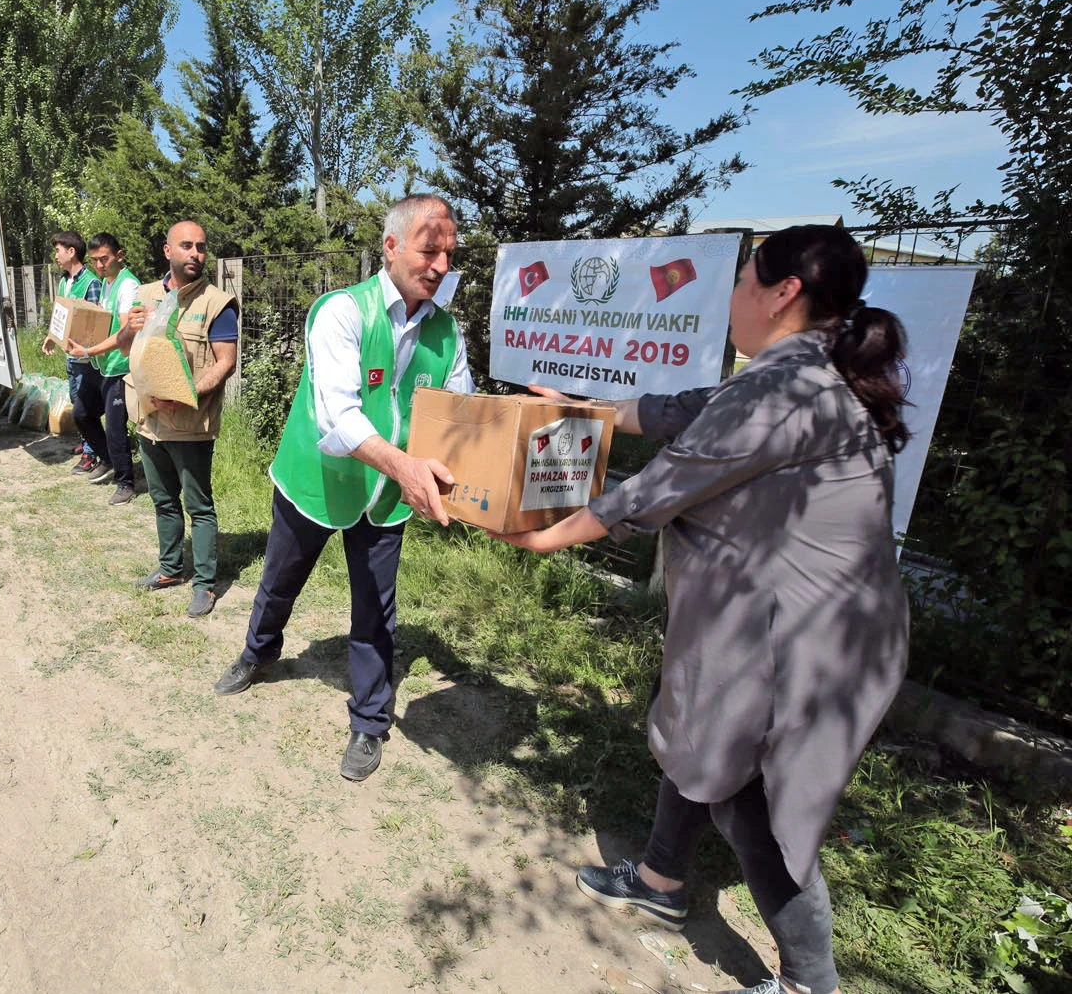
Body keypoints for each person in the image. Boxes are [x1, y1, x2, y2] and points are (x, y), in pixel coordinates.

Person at [495, 225, 911, 994]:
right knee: (696, 728)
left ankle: (807, 983)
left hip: (806, 645)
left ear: (783, 292)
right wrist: (579, 407)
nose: (732, 296)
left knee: (755, 808)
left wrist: (539, 535)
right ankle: (660, 878)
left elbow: (657, 486)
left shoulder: (785, 390)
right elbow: (681, 409)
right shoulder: (794, 373)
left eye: (743, 279)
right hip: (779, 621)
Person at [211, 194, 472, 782]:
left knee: (377, 612)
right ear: (391, 246)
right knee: (279, 581)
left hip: (384, 498)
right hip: (319, 478)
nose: (439, 266)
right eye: (429, 250)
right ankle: (258, 653)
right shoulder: (342, 312)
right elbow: (338, 417)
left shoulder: (446, 330)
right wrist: (406, 467)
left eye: (448, 255)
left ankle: (370, 721)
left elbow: (459, 414)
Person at [122, 221, 240, 617]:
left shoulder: (216, 303)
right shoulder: (145, 295)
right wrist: (129, 328)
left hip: (190, 425)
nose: (195, 254)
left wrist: (188, 394)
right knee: (162, 500)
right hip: (149, 419)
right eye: (186, 246)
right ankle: (170, 569)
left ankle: (205, 584)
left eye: (201, 247)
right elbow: (126, 345)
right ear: (166, 250)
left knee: (199, 505)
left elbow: (226, 362)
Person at [68, 233, 142, 504]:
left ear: (119, 256)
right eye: (95, 260)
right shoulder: (106, 283)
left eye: (105, 259)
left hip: (119, 368)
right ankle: (108, 459)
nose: (99, 264)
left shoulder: (128, 286)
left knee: (114, 428)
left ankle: (126, 482)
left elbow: (125, 333)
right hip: (101, 364)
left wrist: (87, 351)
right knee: (82, 413)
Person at [40, 231, 106, 476]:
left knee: (84, 407)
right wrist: (51, 337)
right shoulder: (64, 281)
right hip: (70, 357)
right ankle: (88, 440)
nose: (55, 255)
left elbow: (95, 323)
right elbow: (61, 314)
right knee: (76, 400)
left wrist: (85, 350)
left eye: (58, 250)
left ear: (71, 252)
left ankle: (91, 453)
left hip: (86, 359)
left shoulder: (91, 283)